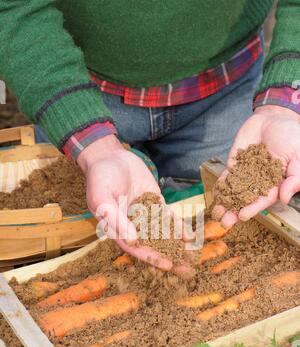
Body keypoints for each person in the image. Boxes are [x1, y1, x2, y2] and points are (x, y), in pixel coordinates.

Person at [1, 1, 300, 271]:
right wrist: (94, 147)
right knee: (64, 255)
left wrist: (285, 102)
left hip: (227, 92)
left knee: (228, 226)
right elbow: (13, 8)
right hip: (77, 88)